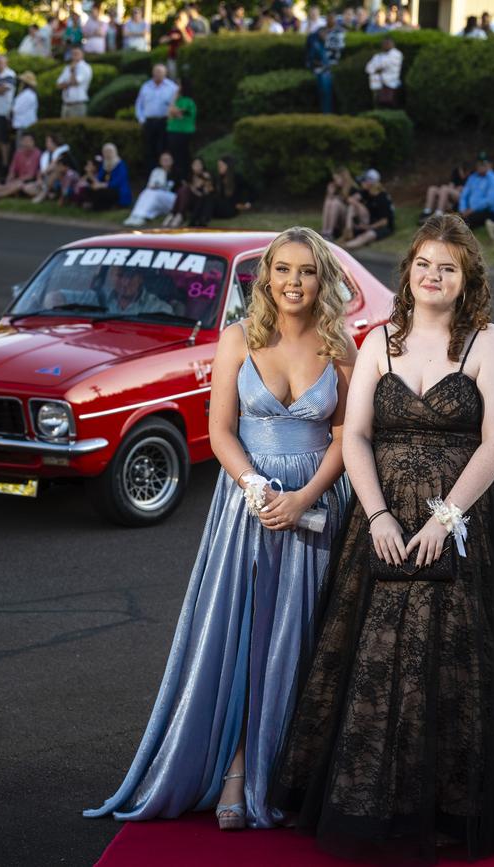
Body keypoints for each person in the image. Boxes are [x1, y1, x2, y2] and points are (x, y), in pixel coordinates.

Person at [269, 213, 494, 863]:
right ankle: (379, 802)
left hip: (463, 529)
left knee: (457, 659)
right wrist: (378, 515)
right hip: (380, 525)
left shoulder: (489, 343)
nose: (433, 275)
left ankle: (449, 808)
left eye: (448, 267)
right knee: (376, 658)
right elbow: (354, 435)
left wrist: (445, 518)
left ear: (467, 280)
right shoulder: (380, 340)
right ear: (408, 271)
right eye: (424, 264)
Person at [83, 226, 355, 829]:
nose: (293, 282)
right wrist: (258, 489)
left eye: (306, 271)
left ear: (323, 279)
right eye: (282, 269)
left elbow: (345, 437)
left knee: (304, 640)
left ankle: (292, 771)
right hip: (248, 508)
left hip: (315, 509)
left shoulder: (340, 345)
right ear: (264, 278)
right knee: (244, 638)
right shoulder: (236, 340)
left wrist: (306, 496)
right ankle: (235, 768)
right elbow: (221, 431)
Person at [44, 264, 176, 316]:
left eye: (130, 277)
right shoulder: (96, 298)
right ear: (112, 276)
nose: (125, 283)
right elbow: (53, 297)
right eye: (120, 276)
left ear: (141, 279)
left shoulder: (157, 307)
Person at [135, 64, 178, 172]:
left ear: (165, 73)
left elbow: (176, 104)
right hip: (149, 121)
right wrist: (141, 118)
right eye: (156, 72)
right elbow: (139, 104)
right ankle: (151, 173)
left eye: (160, 72)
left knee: (163, 148)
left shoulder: (172, 87)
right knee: (149, 148)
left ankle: (164, 172)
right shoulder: (146, 86)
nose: (158, 74)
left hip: (164, 121)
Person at [343, 169, 394, 250]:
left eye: (364, 181)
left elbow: (384, 222)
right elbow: (350, 199)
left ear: (370, 183)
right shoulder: (365, 192)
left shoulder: (382, 198)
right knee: (352, 206)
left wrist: (369, 227)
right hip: (368, 222)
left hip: (382, 227)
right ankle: (348, 231)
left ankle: (345, 247)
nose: (361, 183)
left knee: (367, 235)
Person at [123, 151, 177, 227]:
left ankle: (141, 216)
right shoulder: (156, 171)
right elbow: (151, 185)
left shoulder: (177, 172)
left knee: (155, 193)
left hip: (173, 199)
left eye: (167, 159)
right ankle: (135, 215)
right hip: (158, 198)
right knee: (147, 192)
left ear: (172, 161)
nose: (165, 162)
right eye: (163, 160)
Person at [162, 155, 213, 228]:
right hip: (188, 200)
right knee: (182, 190)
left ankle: (177, 214)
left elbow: (208, 193)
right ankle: (176, 214)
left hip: (199, 202)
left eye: (199, 165)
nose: (197, 167)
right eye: (195, 165)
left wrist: (206, 181)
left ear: (202, 166)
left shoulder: (206, 176)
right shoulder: (190, 176)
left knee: (184, 189)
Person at [0, 132, 41, 200]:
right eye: (24, 141)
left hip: (29, 181)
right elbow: (12, 169)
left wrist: (15, 181)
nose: (26, 143)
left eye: (28, 141)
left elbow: (30, 175)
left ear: (33, 142)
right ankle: (6, 191)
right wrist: (9, 179)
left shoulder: (37, 153)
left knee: (18, 185)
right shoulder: (18, 153)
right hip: (17, 179)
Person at [458, 152, 494, 230]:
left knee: (467, 221)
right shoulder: (473, 177)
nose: (480, 166)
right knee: (454, 215)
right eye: (478, 164)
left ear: (489, 165)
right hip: (469, 209)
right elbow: (464, 195)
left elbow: (490, 201)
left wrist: (472, 209)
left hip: (486, 211)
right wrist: (463, 209)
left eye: (483, 164)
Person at [166, 78, 197, 182]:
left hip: (183, 134)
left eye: (179, 85)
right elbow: (169, 114)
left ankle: (185, 179)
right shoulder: (178, 100)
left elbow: (176, 113)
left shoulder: (188, 101)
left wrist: (174, 105)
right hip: (173, 132)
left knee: (183, 158)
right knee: (175, 158)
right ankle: (177, 179)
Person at [85, 142, 132, 210]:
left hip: (116, 189)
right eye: (105, 152)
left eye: (109, 151)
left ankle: (107, 206)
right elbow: (99, 178)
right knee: (90, 188)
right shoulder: (104, 164)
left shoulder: (120, 164)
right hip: (104, 187)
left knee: (104, 192)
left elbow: (118, 181)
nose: (107, 154)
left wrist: (103, 185)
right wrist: (92, 179)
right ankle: (97, 206)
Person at [320, 166, 359, 241]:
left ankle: (329, 232)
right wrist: (330, 193)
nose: (335, 181)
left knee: (335, 202)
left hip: (348, 218)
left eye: (337, 179)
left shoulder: (353, 188)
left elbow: (353, 204)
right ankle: (324, 230)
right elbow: (328, 204)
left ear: (344, 178)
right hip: (338, 216)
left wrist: (340, 197)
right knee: (328, 200)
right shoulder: (337, 187)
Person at [365, 38, 403, 108]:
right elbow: (368, 68)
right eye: (384, 44)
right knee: (377, 100)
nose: (385, 45)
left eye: (387, 44)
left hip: (390, 81)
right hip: (377, 83)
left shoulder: (396, 54)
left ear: (392, 44)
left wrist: (377, 68)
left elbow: (386, 65)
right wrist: (377, 69)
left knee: (390, 102)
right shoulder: (378, 56)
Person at [56, 46, 93, 118]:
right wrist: (68, 84)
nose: (74, 56)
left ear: (82, 54)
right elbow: (58, 85)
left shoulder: (85, 67)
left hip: (78, 105)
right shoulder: (67, 67)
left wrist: (72, 71)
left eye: (77, 53)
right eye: (73, 54)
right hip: (66, 104)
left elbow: (75, 82)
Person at [159, 9, 194, 81]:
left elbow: (189, 42)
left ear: (186, 20)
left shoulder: (188, 30)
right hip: (172, 58)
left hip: (184, 58)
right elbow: (161, 40)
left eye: (180, 19)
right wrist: (170, 38)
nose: (178, 21)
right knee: (173, 78)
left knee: (184, 78)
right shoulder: (173, 30)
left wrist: (182, 30)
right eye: (178, 19)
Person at [11, 71, 39, 139]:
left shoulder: (26, 94)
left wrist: (11, 110)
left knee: (21, 147)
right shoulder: (30, 93)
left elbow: (17, 109)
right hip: (26, 123)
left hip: (24, 124)